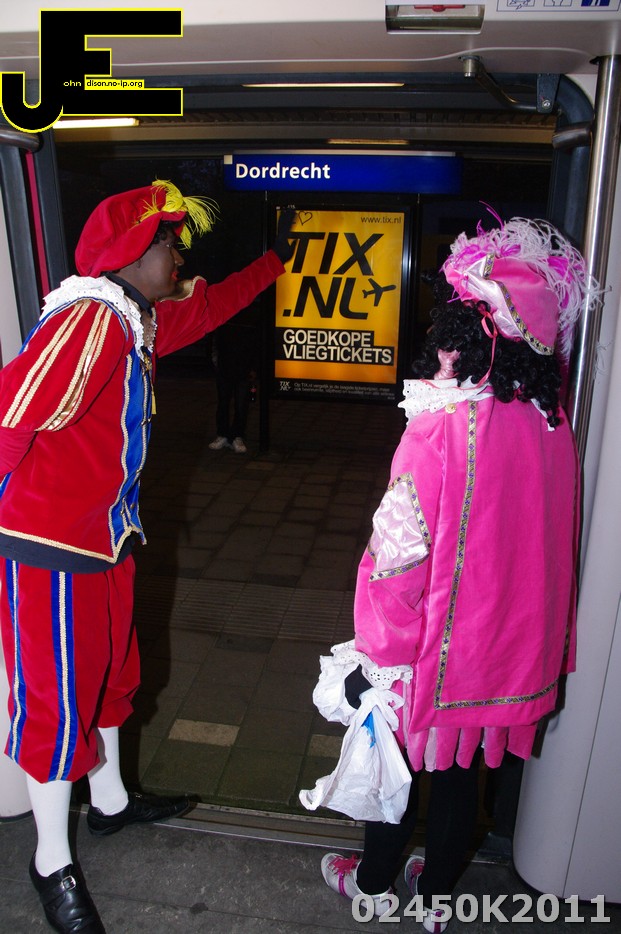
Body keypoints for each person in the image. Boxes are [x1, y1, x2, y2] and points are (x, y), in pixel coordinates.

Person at [0, 179, 295, 933]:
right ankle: (50, 861)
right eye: (169, 243)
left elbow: (211, 307)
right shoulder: (91, 321)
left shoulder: (133, 319)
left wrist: (272, 263)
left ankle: (109, 803)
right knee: (57, 698)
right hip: (51, 545)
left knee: (108, 674)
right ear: (135, 251)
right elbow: (10, 412)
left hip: (105, 537)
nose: (179, 257)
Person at [318, 215, 599, 931]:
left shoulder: (439, 428)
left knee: (398, 767)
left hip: (434, 647)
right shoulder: (550, 426)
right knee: (459, 776)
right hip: (506, 654)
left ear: (474, 342)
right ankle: (437, 897)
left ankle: (372, 884)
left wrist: (378, 654)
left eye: (453, 334)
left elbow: (397, 554)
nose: (442, 352)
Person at [208, 301, 261, 454]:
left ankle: (237, 435)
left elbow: (257, 344)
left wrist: (254, 367)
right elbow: (214, 340)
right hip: (225, 365)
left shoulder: (251, 315)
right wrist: (215, 362)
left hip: (244, 367)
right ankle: (223, 434)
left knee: (241, 403)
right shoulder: (224, 313)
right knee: (223, 402)